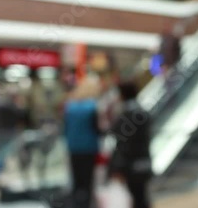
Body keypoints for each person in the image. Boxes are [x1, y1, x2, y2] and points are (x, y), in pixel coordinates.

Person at [109, 81, 152, 208]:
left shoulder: (125, 116)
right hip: (143, 162)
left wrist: (117, 167)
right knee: (141, 197)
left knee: (137, 198)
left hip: (131, 165)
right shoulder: (142, 113)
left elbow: (121, 143)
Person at [64, 76, 101, 208]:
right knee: (87, 180)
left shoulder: (70, 107)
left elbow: (66, 128)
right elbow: (96, 129)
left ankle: (76, 203)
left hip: (73, 147)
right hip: (89, 147)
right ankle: (86, 204)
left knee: (77, 180)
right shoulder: (92, 107)